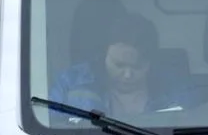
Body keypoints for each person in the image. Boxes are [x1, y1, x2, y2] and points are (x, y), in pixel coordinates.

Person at [50, 12, 198, 117]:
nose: (127, 75)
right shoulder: (70, 83)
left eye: (137, 67)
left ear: (151, 61)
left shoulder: (177, 88)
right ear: (104, 55)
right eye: (119, 65)